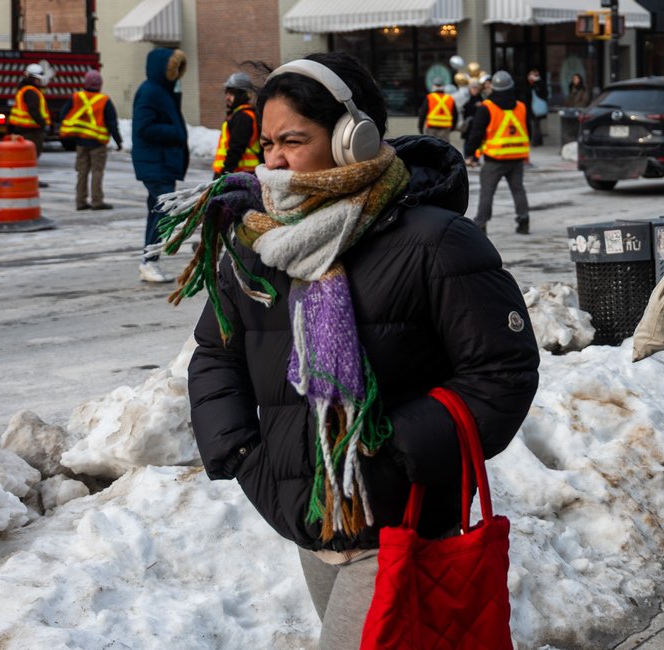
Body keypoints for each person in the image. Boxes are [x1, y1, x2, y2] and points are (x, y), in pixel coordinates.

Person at [172, 52, 539, 648]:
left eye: (293, 140)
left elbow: (502, 371)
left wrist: (393, 451)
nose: (274, 160)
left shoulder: (436, 242)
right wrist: (240, 451)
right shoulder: (256, 241)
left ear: (352, 138)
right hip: (307, 514)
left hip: (402, 519)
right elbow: (216, 353)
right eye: (267, 144)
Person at [132, 47, 189, 283]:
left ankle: (149, 260)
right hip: (155, 162)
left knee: (157, 210)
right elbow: (143, 127)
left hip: (161, 162)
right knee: (165, 209)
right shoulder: (150, 92)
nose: (176, 74)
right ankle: (149, 261)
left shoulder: (163, 91)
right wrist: (175, 132)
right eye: (173, 69)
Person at [463, 70, 531, 235]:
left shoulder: (487, 107)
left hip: (495, 159)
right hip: (516, 158)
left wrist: (470, 153)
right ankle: (523, 221)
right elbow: (529, 130)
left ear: (493, 87)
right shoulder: (521, 107)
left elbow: (477, 133)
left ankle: (481, 224)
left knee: (487, 191)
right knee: (518, 190)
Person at [60, 69, 122, 211]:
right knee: (97, 172)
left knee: (82, 172)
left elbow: (63, 114)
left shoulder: (76, 97)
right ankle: (97, 201)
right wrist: (118, 141)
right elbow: (112, 123)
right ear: (100, 85)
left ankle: (80, 201)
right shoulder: (104, 100)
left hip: (81, 142)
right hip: (98, 144)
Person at [212, 71, 261, 179]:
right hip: (241, 173)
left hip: (238, 175)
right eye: (227, 93)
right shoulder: (241, 114)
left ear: (241, 95)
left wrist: (223, 175)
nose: (227, 98)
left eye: (231, 94)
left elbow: (236, 149)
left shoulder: (243, 117)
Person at [8, 63, 51, 158]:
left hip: (24, 128)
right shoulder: (31, 91)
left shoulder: (23, 90)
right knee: (31, 155)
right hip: (32, 129)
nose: (40, 81)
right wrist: (43, 124)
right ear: (33, 79)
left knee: (25, 155)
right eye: (38, 79)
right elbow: (33, 110)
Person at [416, 77, 455, 143]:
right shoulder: (450, 98)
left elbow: (423, 113)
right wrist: (452, 128)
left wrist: (420, 127)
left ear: (433, 86)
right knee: (444, 147)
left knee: (431, 146)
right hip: (445, 128)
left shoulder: (430, 97)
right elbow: (455, 115)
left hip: (431, 128)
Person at [457, 79, 483, 159]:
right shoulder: (467, 99)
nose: (474, 90)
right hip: (468, 126)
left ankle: (476, 158)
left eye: (476, 88)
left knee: (478, 142)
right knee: (467, 142)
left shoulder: (482, 99)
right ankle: (467, 157)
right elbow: (463, 111)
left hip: (478, 126)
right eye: (473, 88)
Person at [524, 68, 547, 147]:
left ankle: (535, 141)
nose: (531, 76)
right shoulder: (529, 84)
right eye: (530, 75)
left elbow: (543, 93)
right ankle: (537, 140)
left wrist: (537, 82)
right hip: (530, 106)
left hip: (536, 107)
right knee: (534, 124)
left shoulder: (539, 84)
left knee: (535, 124)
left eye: (533, 75)